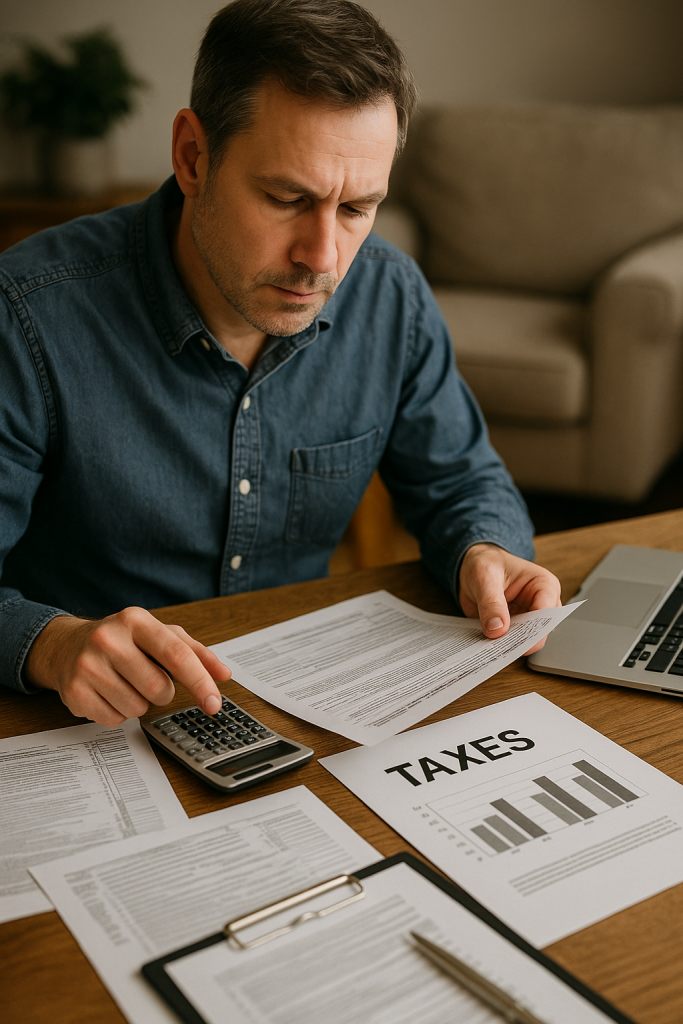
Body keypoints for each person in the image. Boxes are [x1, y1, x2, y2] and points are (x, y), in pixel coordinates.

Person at [0, 0, 560, 726]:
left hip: (295, 709)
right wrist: (53, 644)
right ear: (193, 157)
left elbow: (459, 479)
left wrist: (485, 549)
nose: (322, 259)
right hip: (77, 722)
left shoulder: (391, 298)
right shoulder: (26, 314)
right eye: (286, 198)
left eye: (357, 208)